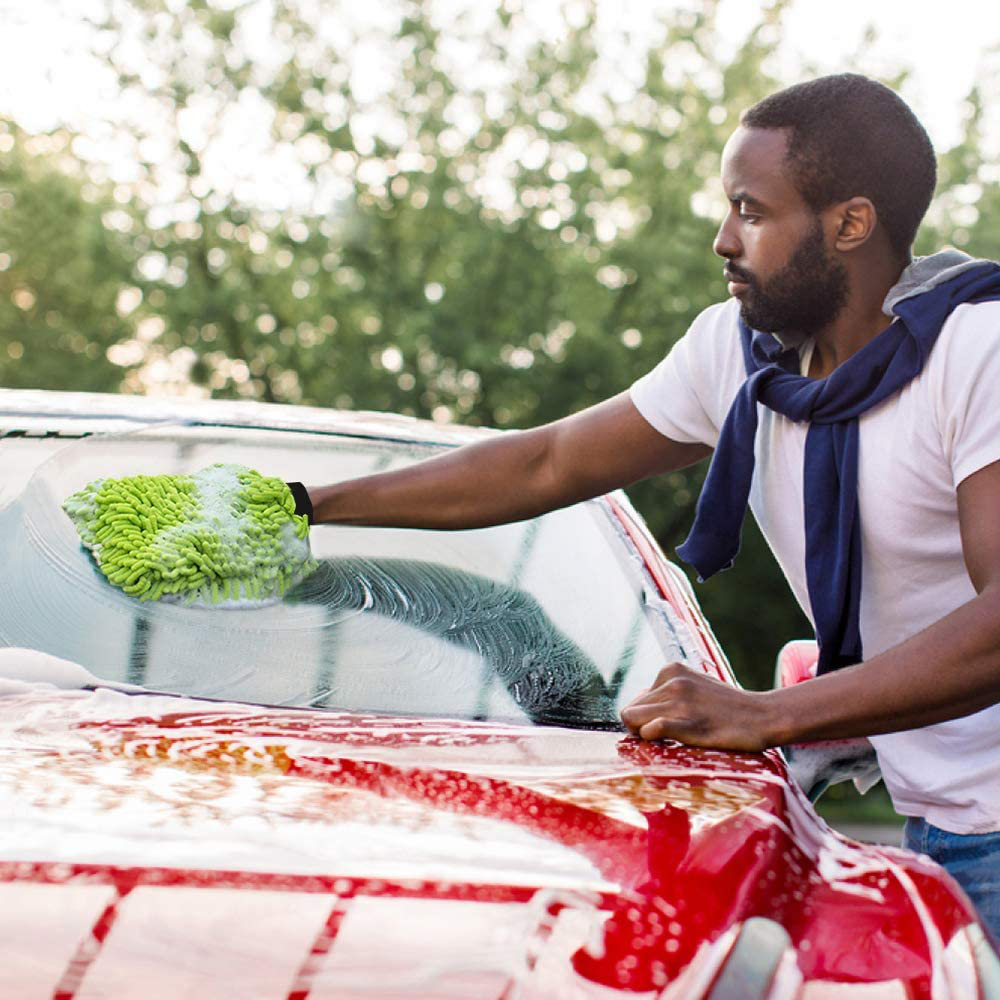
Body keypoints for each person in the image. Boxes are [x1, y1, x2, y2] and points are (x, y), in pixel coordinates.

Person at [293, 74, 1000, 935]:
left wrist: (767, 713)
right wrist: (309, 503)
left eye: (751, 210)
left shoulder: (976, 351)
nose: (722, 239)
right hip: (938, 815)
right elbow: (544, 463)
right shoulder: (739, 357)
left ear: (850, 224)